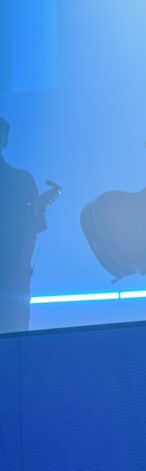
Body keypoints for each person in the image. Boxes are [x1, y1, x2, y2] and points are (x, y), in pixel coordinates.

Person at [0, 117, 46, 332]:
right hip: (14, 276)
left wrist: (21, 268)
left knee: (14, 334)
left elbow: (32, 228)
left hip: (11, 276)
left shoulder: (22, 179)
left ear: (5, 140)